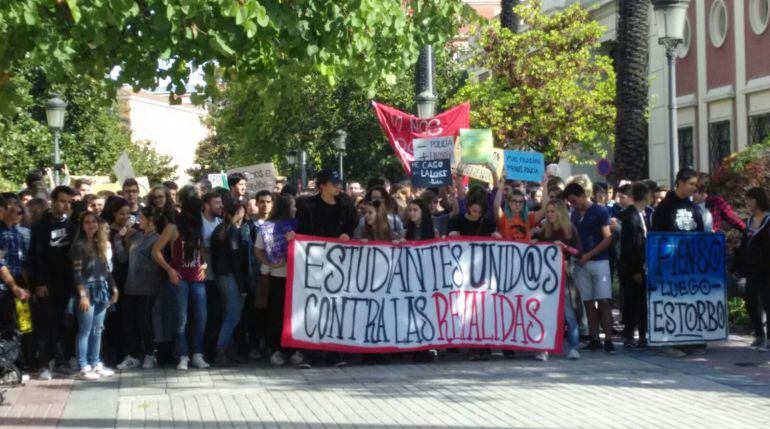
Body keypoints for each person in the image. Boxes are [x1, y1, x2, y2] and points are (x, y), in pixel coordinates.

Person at [291, 169, 357, 367]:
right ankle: (309, 353)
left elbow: (352, 225)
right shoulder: (308, 206)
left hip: (337, 263)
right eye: (333, 183)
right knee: (312, 306)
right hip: (312, 262)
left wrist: (347, 234)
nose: (338, 186)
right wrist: (293, 237)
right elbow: (299, 228)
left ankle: (334, 353)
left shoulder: (345, 204)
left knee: (334, 306)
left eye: (338, 183)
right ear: (322, 185)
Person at [152, 194, 210, 370]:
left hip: (197, 276)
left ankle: (198, 354)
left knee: (201, 316)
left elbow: (202, 251)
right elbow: (156, 251)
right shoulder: (173, 227)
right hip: (179, 277)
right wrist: (169, 270)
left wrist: (204, 264)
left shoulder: (198, 226)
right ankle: (183, 355)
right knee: (181, 318)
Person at [28, 185, 77, 380]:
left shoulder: (72, 226)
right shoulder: (41, 226)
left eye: (68, 202)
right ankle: (44, 364)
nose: (65, 205)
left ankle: (62, 360)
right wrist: (38, 283)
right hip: (47, 284)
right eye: (62, 201)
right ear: (53, 201)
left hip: (67, 283)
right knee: (46, 324)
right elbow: (35, 256)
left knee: (64, 323)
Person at [561, 182, 615, 354]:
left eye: (574, 200)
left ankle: (608, 339)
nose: (572, 204)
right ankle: (594, 338)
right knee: (588, 302)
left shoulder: (600, 211)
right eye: (569, 202)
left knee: (604, 301)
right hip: (580, 263)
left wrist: (589, 255)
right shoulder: (574, 214)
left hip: (599, 262)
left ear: (583, 195)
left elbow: (608, 238)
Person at [70, 211, 119, 380]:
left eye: (93, 221)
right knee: (85, 329)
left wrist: (114, 288)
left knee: (98, 329)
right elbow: (76, 273)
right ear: (82, 226)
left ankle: (95, 362)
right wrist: (82, 295)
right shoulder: (79, 246)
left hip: (102, 288)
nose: (91, 225)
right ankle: (83, 366)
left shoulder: (100, 243)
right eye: (87, 222)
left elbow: (106, 269)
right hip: (87, 289)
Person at [533, 199, 582, 361]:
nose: (550, 214)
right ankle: (544, 348)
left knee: (568, 313)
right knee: (546, 312)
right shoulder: (544, 230)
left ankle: (574, 347)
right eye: (548, 211)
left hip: (565, 276)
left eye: (553, 211)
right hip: (547, 278)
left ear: (560, 212)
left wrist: (565, 247)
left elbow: (579, 252)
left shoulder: (570, 230)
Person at [116, 207, 164, 370]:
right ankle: (133, 355)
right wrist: (118, 240)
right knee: (130, 321)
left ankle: (151, 353)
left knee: (144, 320)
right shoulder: (136, 237)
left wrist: (139, 258)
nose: (138, 222)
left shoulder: (157, 239)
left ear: (150, 221)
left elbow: (157, 266)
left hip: (148, 286)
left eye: (141, 219)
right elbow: (123, 257)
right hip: (132, 285)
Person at [255, 195, 299, 367]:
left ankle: (293, 348)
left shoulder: (299, 226)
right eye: (293, 206)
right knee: (277, 315)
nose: (296, 209)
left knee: (294, 315)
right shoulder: (267, 228)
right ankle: (276, 349)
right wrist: (270, 262)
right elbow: (258, 250)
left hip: (296, 278)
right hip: (278, 276)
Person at [210, 198, 249, 365]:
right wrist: (242, 286)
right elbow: (235, 260)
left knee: (228, 314)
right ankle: (222, 350)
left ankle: (227, 349)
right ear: (239, 211)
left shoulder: (219, 230)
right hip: (232, 277)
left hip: (221, 276)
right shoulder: (232, 231)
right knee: (232, 316)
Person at [733, 187, 770, 351]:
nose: (747, 203)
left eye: (751, 199)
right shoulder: (748, 222)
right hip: (751, 268)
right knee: (750, 301)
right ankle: (759, 334)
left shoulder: (768, 220)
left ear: (759, 200)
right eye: (746, 199)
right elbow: (743, 245)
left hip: (766, 268)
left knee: (767, 302)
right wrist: (738, 265)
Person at [619, 183, 650, 349]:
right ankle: (630, 336)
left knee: (640, 303)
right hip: (633, 269)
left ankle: (642, 335)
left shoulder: (642, 215)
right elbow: (630, 247)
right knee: (632, 303)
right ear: (645, 196)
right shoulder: (631, 217)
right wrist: (635, 270)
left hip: (641, 266)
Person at [0, 196, 32, 337]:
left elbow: (22, 261)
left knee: (24, 324)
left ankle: (23, 356)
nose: (18, 213)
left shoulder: (16, 232)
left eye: (20, 212)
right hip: (4, 287)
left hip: (18, 283)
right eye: (15, 210)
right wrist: (13, 286)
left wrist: (25, 285)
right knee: (5, 326)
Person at [200, 192, 223, 360]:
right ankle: (203, 350)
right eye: (217, 203)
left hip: (218, 276)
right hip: (203, 277)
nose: (220, 206)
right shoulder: (199, 223)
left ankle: (212, 350)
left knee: (216, 314)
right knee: (205, 315)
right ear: (207, 205)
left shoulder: (220, 222)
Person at [651, 168, 704, 232]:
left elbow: (700, 233)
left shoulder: (694, 208)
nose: (694, 188)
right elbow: (657, 234)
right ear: (680, 183)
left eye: (695, 185)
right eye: (691, 184)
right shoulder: (664, 207)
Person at [493, 174, 538, 241]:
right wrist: (502, 182)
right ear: (509, 203)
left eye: (520, 201)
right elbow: (496, 207)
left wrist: (545, 185)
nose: (517, 204)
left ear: (524, 204)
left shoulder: (529, 217)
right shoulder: (503, 217)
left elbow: (545, 210)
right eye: (514, 201)